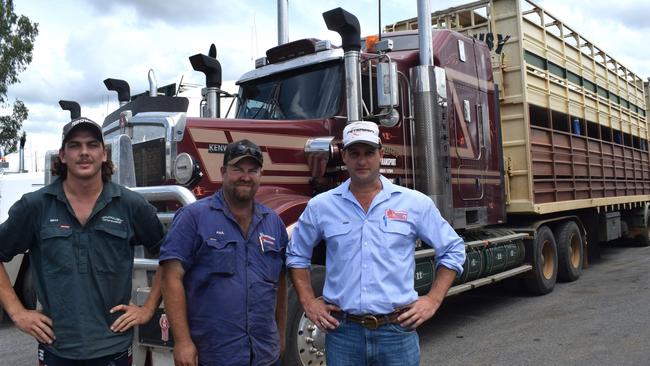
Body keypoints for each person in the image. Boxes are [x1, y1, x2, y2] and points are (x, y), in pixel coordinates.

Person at [286, 121, 466, 366]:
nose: (362, 161)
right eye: (354, 153)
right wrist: (308, 302)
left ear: (381, 154)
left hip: (397, 332)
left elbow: (453, 249)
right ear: (344, 156)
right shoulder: (321, 206)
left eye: (369, 153)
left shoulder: (414, 204)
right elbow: (296, 255)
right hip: (343, 333)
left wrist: (433, 300)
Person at [0, 117, 164, 365]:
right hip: (57, 349)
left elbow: (172, 255)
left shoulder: (130, 206)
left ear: (104, 154)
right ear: (63, 156)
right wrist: (17, 312)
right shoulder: (35, 206)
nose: (84, 152)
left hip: (114, 348)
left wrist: (148, 309)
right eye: (75, 145)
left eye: (92, 145)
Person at [160, 139, 288, 366]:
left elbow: (279, 283)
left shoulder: (274, 223)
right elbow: (171, 278)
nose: (245, 176)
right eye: (237, 169)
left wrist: (281, 334)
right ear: (223, 171)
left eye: (253, 170)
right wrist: (182, 341)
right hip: (214, 355)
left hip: (264, 354)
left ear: (260, 174)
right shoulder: (194, 217)